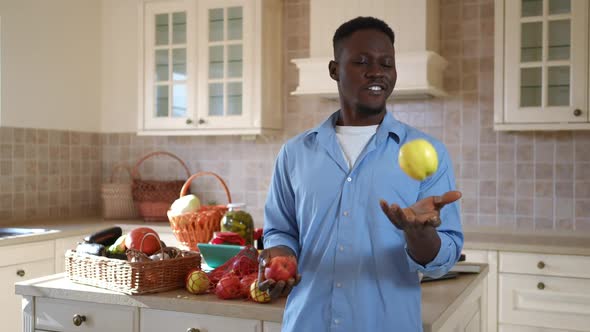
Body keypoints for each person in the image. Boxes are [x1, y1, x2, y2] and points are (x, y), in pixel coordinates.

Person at [257, 16, 463, 332]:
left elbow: (442, 260)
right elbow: (280, 231)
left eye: (387, 63)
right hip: (307, 323)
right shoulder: (295, 153)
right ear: (334, 70)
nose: (377, 71)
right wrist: (282, 261)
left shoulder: (429, 152)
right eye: (361, 61)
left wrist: (419, 234)